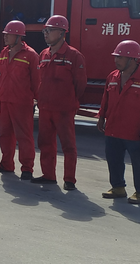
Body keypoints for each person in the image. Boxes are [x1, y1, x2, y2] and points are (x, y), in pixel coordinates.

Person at [97, 40, 140, 204]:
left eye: (121, 57)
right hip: (113, 128)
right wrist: (101, 117)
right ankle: (118, 187)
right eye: (116, 57)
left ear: (133, 59)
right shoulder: (112, 77)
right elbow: (106, 99)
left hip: (135, 130)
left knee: (139, 163)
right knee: (113, 159)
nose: (116, 60)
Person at [34, 15, 86, 190]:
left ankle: (69, 179)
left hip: (64, 109)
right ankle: (48, 175)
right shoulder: (44, 54)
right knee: (45, 143)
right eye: (45, 30)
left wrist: (70, 101)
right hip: (45, 108)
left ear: (62, 33)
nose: (45, 34)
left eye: (49, 30)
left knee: (68, 145)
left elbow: (80, 84)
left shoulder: (73, 55)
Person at [0, 21, 40, 179]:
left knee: (24, 136)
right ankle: (6, 164)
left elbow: (36, 81)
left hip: (22, 102)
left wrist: (35, 100)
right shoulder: (4, 52)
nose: (5, 37)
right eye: (5, 34)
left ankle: (27, 168)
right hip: (5, 100)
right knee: (5, 134)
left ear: (18, 36)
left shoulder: (31, 55)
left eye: (8, 34)